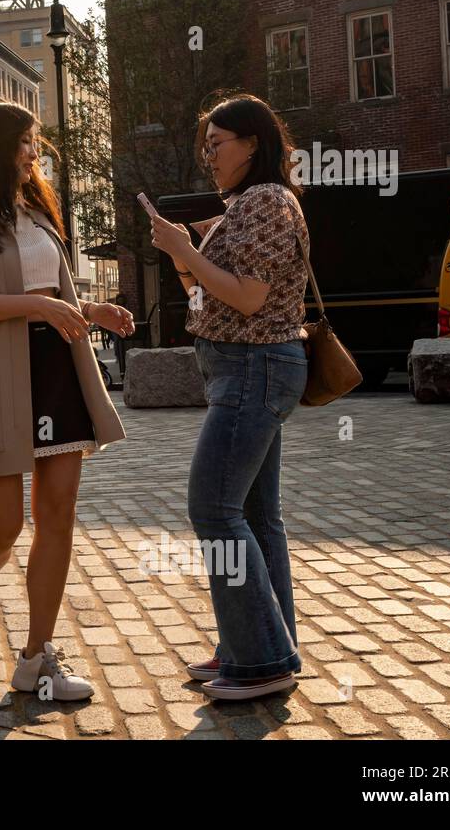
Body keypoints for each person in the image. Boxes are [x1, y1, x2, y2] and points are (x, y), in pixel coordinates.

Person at [0, 101, 136, 701]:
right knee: (4, 522)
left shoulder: (37, 213)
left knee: (57, 511)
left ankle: (36, 658)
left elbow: (48, 291)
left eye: (35, 143)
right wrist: (36, 307)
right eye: (26, 143)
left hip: (58, 368)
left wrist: (91, 311)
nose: (34, 154)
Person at [149, 92, 310, 701]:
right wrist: (184, 258)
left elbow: (248, 298)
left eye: (217, 144)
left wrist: (188, 252)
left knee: (213, 510)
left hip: (254, 368)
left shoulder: (267, 201)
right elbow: (207, 298)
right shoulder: (241, 205)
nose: (209, 156)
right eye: (206, 146)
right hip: (243, 369)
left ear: (253, 143)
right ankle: (263, 646)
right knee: (257, 517)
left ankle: (260, 659)